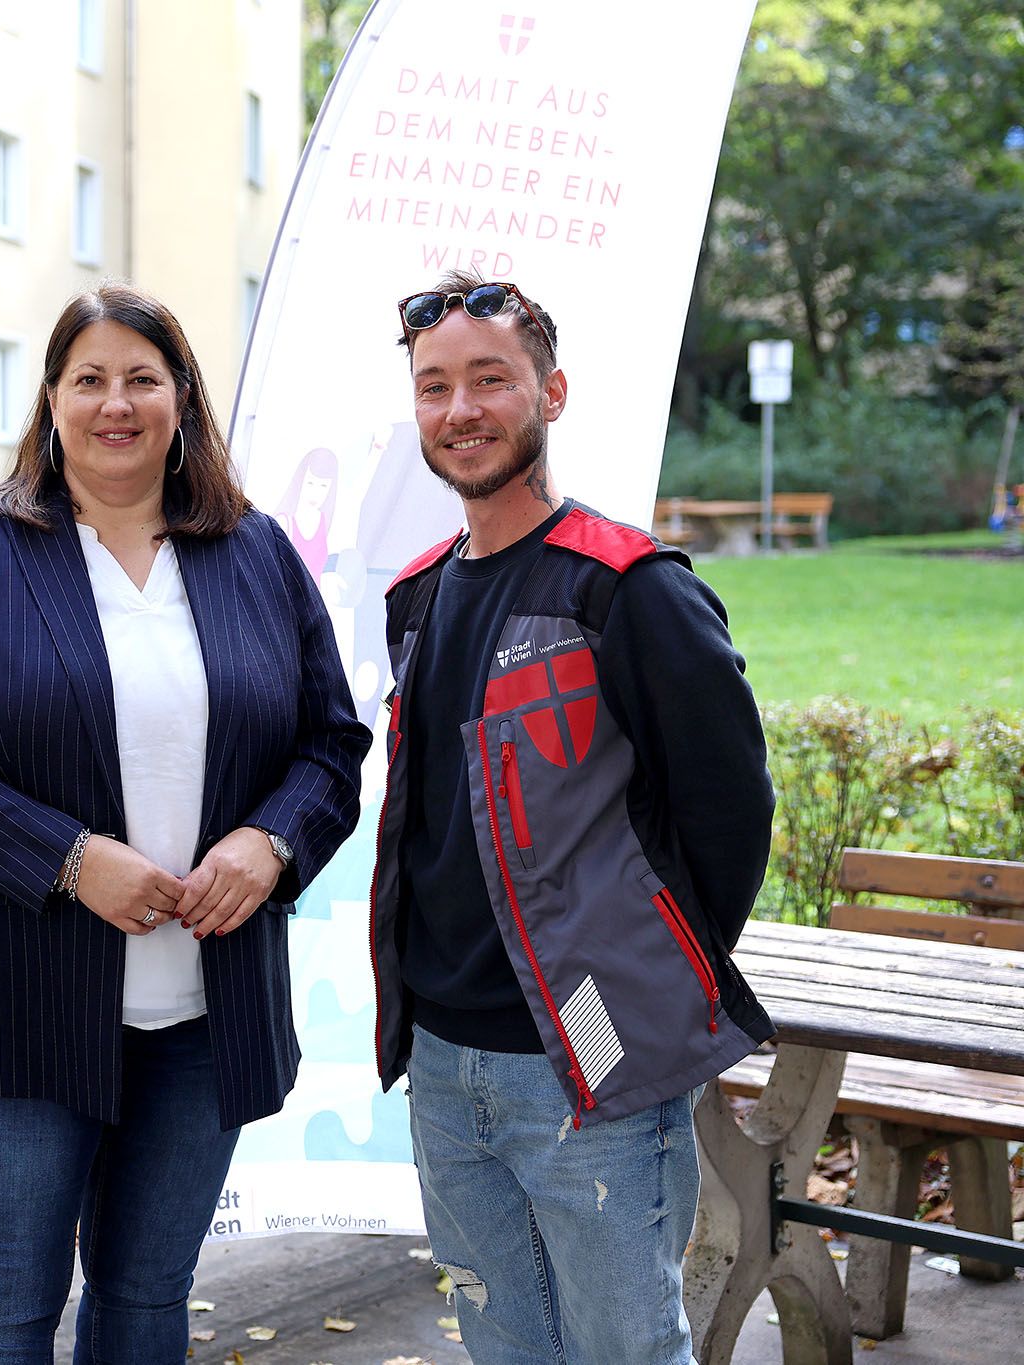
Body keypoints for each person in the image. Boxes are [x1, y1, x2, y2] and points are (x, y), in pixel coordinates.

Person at [0, 282, 372, 1362]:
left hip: (201, 1014)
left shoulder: (254, 554)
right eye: (87, 378)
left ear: (180, 399)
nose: (115, 403)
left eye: (141, 378)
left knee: (145, 1310)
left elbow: (330, 745)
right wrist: (67, 859)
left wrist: (268, 842)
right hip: (11, 1010)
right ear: (50, 401)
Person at [367, 272, 776, 1363]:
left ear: (549, 393)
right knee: (501, 1343)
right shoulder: (415, 594)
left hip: (582, 1048)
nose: (460, 410)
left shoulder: (627, 587)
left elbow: (728, 809)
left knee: (621, 1345)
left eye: (489, 380)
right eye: (434, 387)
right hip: (443, 1058)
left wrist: (634, 978)